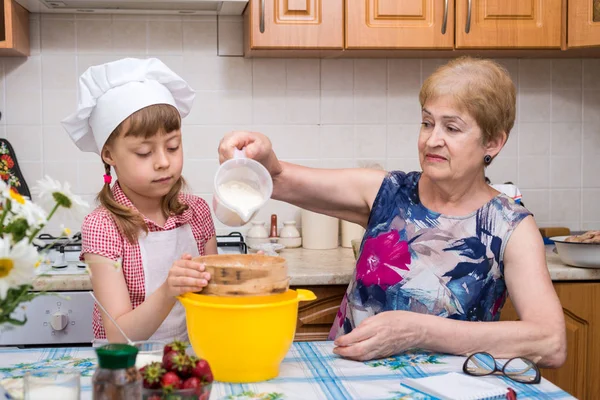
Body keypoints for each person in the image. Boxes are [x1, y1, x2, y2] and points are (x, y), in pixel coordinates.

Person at [218, 57, 567, 367]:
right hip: (349, 381)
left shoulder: (510, 226)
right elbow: (276, 178)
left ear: (492, 142)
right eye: (427, 123)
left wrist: (419, 332)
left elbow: (550, 342)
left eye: (452, 128)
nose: (432, 140)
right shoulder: (387, 193)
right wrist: (261, 159)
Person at [62, 58, 216, 343]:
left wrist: (240, 277)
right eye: (144, 152)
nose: (163, 162)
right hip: (126, 368)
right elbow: (119, 335)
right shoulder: (103, 227)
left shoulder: (197, 211)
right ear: (108, 154)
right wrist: (170, 290)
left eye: (173, 146)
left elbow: (214, 298)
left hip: (191, 359)